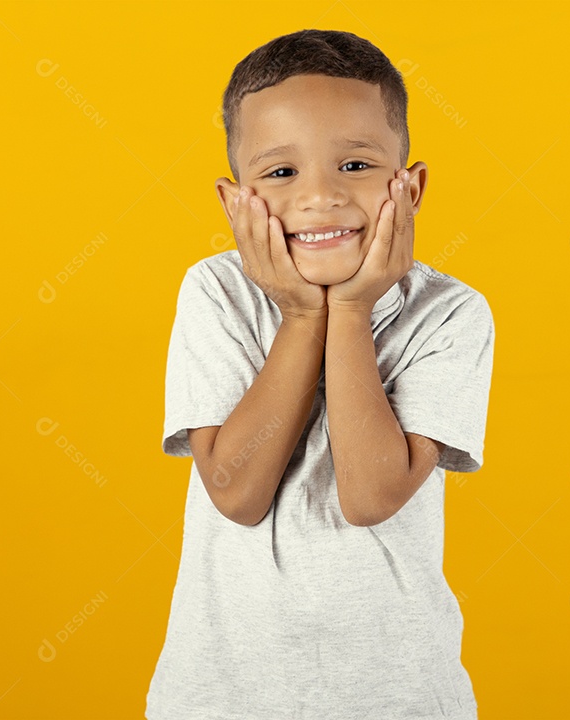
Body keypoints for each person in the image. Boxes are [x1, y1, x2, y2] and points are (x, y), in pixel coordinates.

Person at [145, 28, 494, 720]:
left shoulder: (451, 314)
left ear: (411, 186)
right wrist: (302, 317)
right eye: (281, 174)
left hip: (398, 698)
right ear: (234, 202)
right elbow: (236, 491)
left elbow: (371, 495)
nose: (321, 198)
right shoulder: (217, 293)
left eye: (357, 166)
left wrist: (353, 309)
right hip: (221, 700)